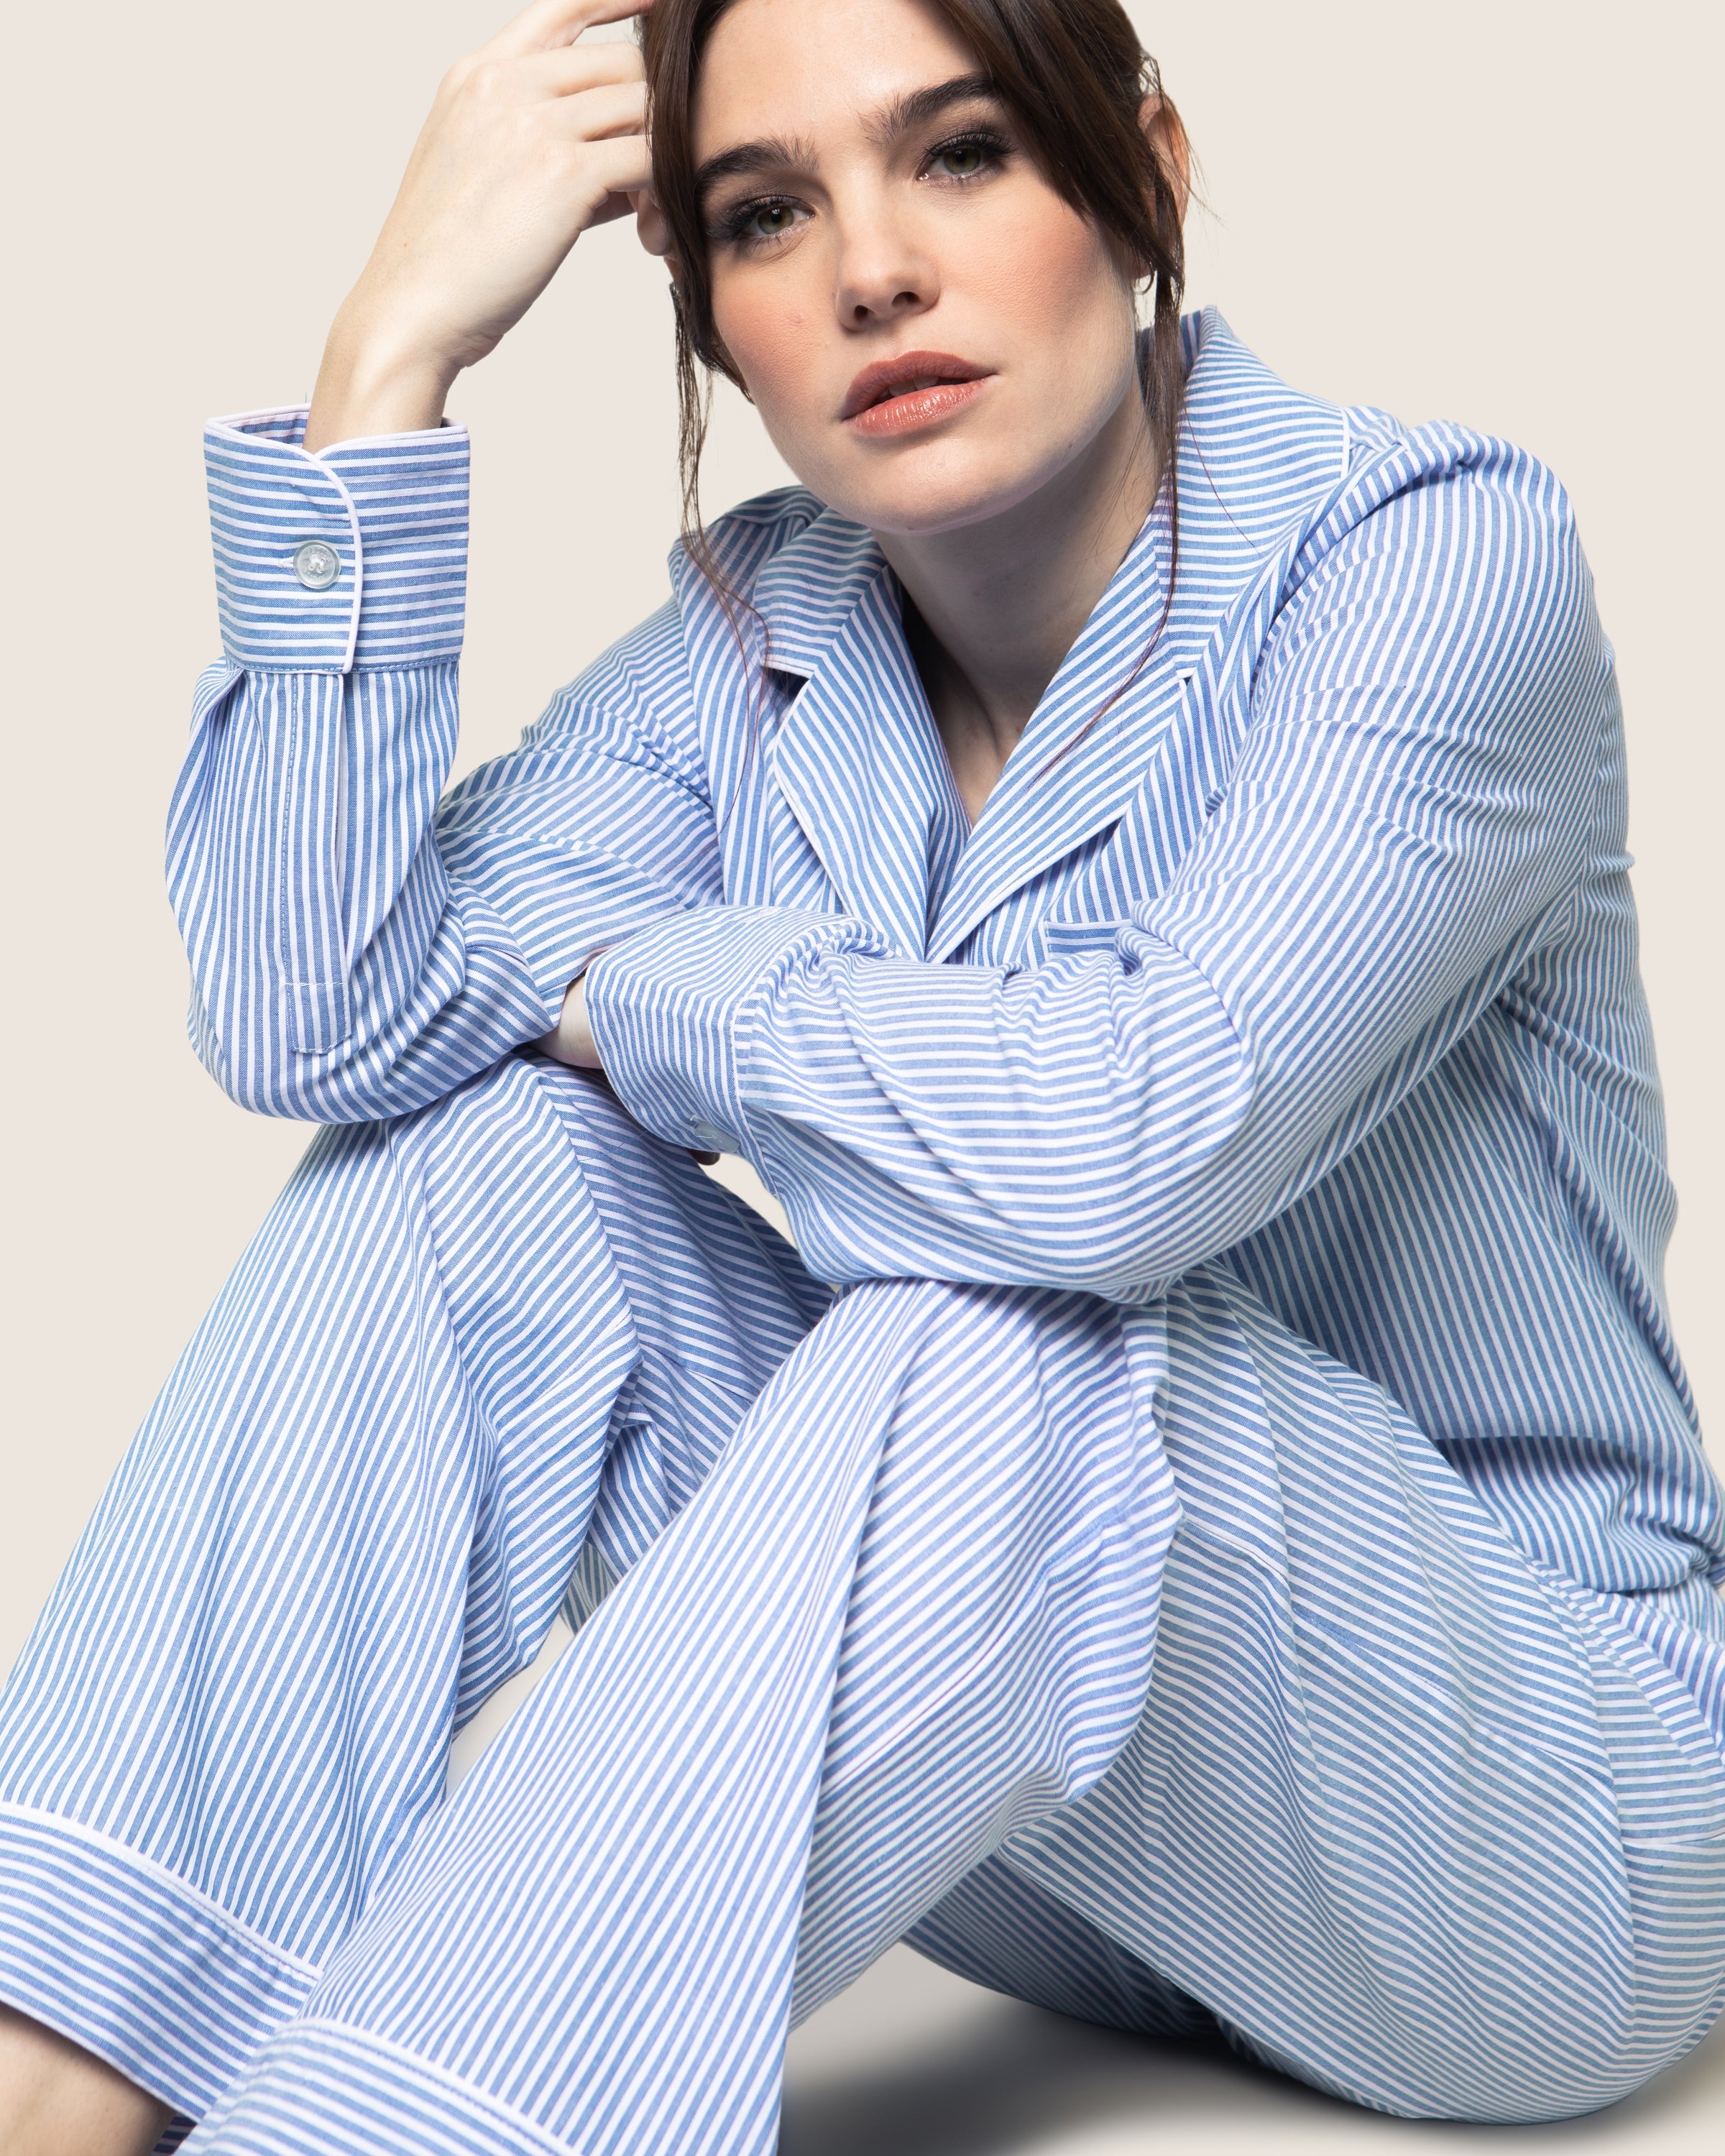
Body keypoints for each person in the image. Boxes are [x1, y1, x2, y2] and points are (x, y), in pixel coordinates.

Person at [2, 0, 1723, 2147]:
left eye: (966, 154)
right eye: (764, 211)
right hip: (1059, 1854)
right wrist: (388, 366)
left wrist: (656, 987)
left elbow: (1116, 1148)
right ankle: (46, 2073)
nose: (873, 270)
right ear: (715, 319)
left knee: (1024, 1323)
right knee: (476, 1170)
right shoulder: (754, 647)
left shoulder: (1429, 559)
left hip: (1529, 1833)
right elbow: (324, 1011)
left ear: (1148, 173)